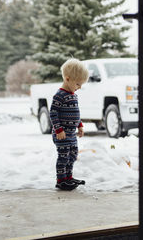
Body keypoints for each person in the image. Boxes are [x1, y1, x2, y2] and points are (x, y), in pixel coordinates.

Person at [50, 58, 89, 191]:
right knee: (64, 156)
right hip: (62, 134)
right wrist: (58, 129)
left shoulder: (73, 95)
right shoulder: (59, 95)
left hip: (72, 134)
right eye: (78, 84)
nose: (80, 87)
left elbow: (75, 113)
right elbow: (53, 113)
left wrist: (80, 125)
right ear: (67, 79)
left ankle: (68, 177)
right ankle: (61, 180)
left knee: (72, 155)